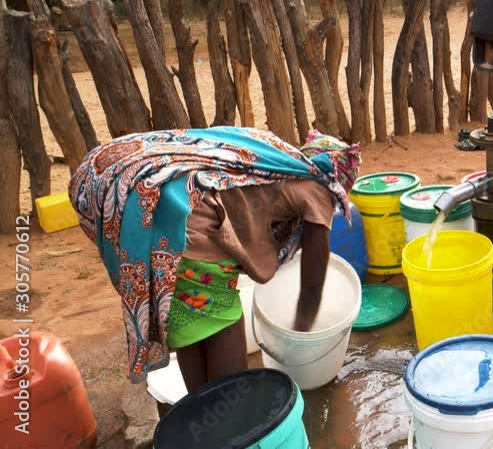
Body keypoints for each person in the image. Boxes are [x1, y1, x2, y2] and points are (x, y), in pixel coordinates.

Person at [69, 127, 360, 391]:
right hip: (187, 229)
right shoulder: (318, 191)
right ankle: (228, 420)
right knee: (225, 332)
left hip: (152, 220)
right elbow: (311, 289)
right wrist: (299, 346)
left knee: (193, 330)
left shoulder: (273, 157)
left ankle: (205, 419)